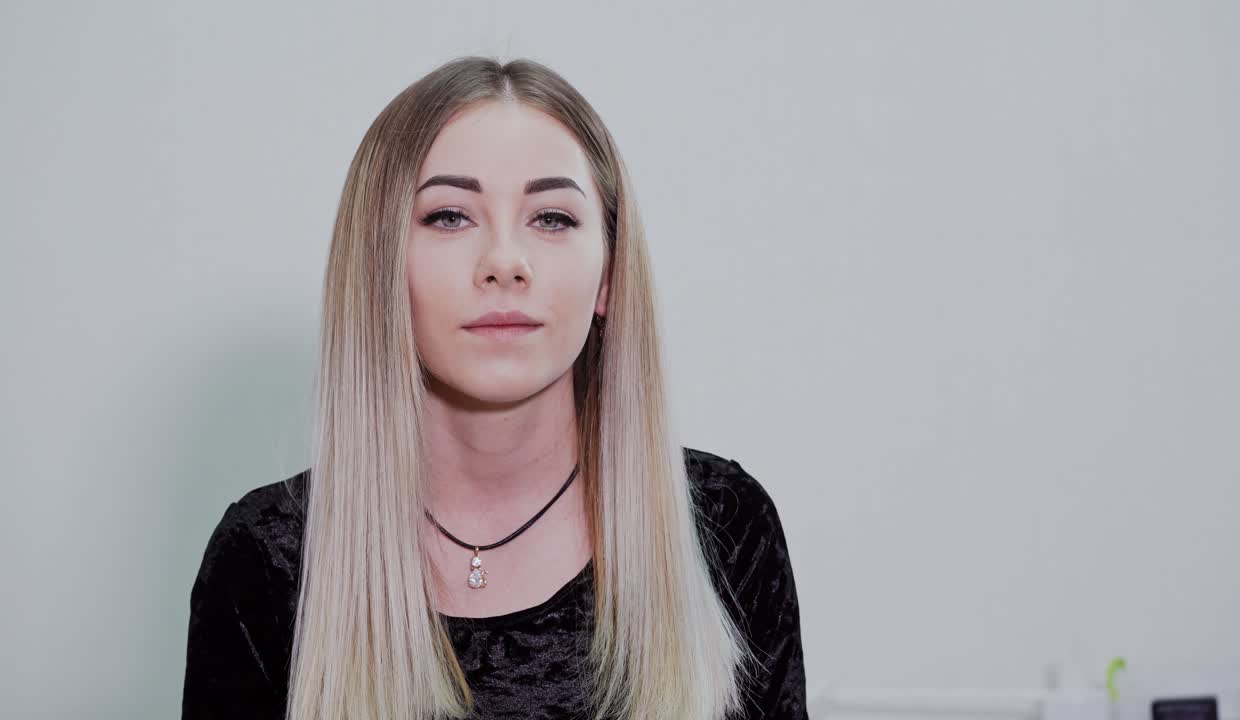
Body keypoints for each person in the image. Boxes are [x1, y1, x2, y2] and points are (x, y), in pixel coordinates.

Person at [181, 55, 807, 720]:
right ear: (380, 268)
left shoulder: (724, 527)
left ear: (607, 277)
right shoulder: (268, 560)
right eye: (450, 216)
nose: (505, 262)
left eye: (553, 218)